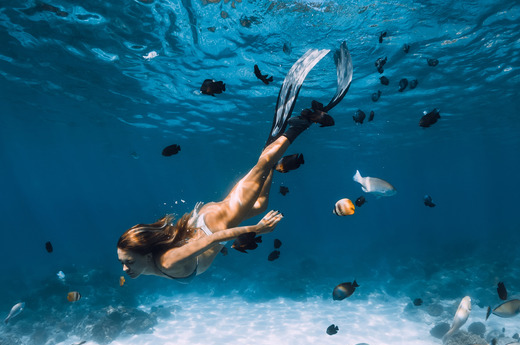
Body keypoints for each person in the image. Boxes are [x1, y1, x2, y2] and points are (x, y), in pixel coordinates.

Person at [117, 45, 352, 282]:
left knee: (260, 168)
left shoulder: (167, 262)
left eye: (129, 261)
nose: (125, 269)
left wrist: (257, 230)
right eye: (124, 262)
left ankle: (299, 126)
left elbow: (213, 239)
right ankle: (273, 149)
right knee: (260, 204)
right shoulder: (153, 261)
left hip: (215, 224)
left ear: (147, 255)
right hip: (206, 220)